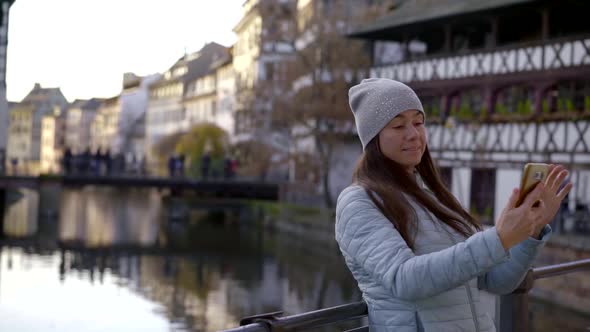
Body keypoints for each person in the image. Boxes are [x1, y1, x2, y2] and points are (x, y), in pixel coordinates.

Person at [335, 78, 573, 332]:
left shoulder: (434, 198)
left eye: (418, 122)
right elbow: (405, 280)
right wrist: (498, 239)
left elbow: (496, 281)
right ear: (373, 138)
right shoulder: (358, 202)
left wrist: (532, 230)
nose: (413, 134)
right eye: (397, 125)